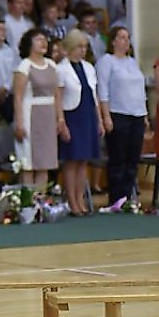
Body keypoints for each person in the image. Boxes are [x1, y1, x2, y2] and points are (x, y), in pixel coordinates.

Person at [96, 27, 147, 206]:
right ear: (113, 41)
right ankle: (116, 199)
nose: (126, 41)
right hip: (118, 114)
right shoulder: (107, 61)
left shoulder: (132, 62)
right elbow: (102, 90)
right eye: (122, 37)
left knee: (133, 159)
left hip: (137, 114)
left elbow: (140, 90)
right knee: (118, 158)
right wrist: (106, 116)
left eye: (128, 38)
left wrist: (145, 114)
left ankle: (128, 199)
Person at [56, 30, 103, 216]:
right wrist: (61, 121)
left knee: (84, 160)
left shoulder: (89, 67)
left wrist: (99, 120)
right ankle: (72, 201)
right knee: (72, 160)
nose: (82, 50)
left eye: (84, 47)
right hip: (71, 116)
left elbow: (95, 96)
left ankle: (81, 198)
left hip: (87, 115)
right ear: (68, 48)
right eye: (78, 47)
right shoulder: (61, 69)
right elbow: (58, 97)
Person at [13, 29, 62, 188]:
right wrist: (19, 124)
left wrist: (60, 118)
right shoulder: (24, 66)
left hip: (48, 115)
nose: (43, 43)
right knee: (29, 162)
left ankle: (40, 202)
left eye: (45, 40)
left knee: (44, 162)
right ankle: (27, 204)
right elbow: (18, 97)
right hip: (30, 114)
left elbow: (57, 94)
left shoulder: (52, 65)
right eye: (39, 39)